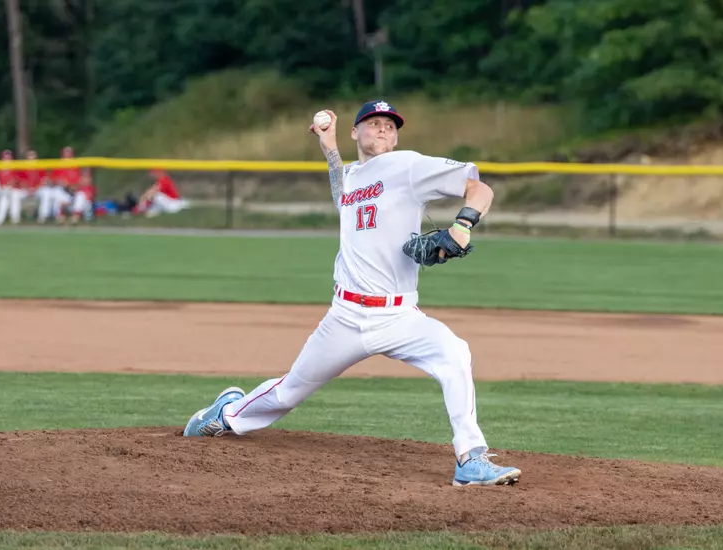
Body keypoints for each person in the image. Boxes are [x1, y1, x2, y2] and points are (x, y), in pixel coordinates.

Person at [182, 100, 521, 487]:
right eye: (374, 123)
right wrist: (328, 147)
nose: (384, 130)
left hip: (399, 317)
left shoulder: (407, 165)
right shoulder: (353, 178)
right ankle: (226, 414)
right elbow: (342, 191)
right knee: (288, 392)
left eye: (391, 126)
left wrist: (463, 223)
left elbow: (480, 189)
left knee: (455, 352)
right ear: (355, 132)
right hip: (345, 317)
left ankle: (470, 459)